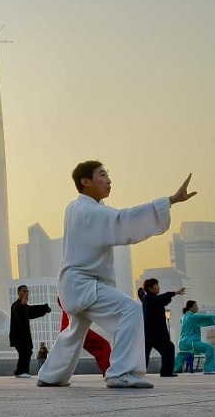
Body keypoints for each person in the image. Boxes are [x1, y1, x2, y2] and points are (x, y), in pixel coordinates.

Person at [36, 162, 195, 389]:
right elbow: (123, 220)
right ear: (85, 181)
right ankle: (121, 372)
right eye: (102, 175)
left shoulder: (75, 208)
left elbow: (113, 221)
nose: (109, 180)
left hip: (76, 284)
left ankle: (50, 375)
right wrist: (169, 201)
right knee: (129, 310)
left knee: (75, 330)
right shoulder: (89, 211)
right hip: (84, 284)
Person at [138, 279, 185, 377]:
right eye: (156, 285)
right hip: (154, 334)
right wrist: (175, 293)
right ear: (150, 288)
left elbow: (141, 294)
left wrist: (141, 290)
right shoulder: (152, 299)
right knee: (168, 348)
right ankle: (166, 372)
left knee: (145, 355)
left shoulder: (146, 298)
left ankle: (138, 373)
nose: (158, 287)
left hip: (147, 333)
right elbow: (164, 297)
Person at [58, 296, 111, 375]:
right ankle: (109, 371)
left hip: (69, 327)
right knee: (103, 345)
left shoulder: (69, 294)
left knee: (66, 353)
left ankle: (54, 375)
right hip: (73, 327)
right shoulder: (72, 294)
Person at [10, 285, 51, 378]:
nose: (26, 293)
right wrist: (23, 305)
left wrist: (45, 308)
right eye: (23, 291)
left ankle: (22, 371)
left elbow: (32, 311)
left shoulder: (25, 307)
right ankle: (20, 372)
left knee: (28, 351)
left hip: (25, 336)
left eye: (27, 291)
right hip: (17, 336)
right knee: (24, 351)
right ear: (18, 292)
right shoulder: (15, 306)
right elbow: (18, 315)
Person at [173, 300, 215, 375]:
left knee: (181, 355)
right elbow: (207, 318)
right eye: (195, 305)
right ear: (190, 307)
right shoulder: (193, 317)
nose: (197, 307)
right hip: (191, 342)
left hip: (182, 342)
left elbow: (181, 321)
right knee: (210, 348)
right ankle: (208, 369)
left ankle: (174, 369)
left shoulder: (183, 318)